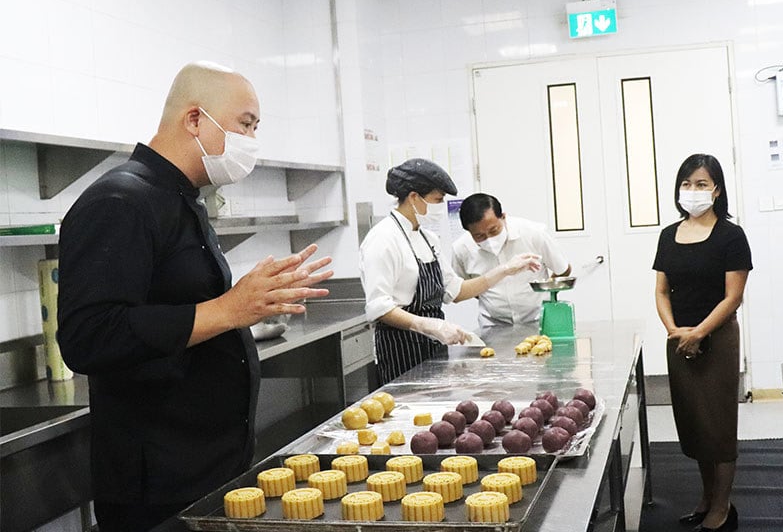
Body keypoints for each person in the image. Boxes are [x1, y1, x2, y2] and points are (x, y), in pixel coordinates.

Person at [56, 62, 334, 532]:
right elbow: (87, 337)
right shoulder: (120, 201)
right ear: (194, 120)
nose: (251, 140)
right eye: (245, 124)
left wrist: (249, 303)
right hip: (159, 483)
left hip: (210, 467)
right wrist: (229, 308)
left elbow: (185, 304)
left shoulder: (183, 199)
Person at [359, 159, 541, 384]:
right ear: (415, 197)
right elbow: (379, 307)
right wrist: (429, 325)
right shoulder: (383, 239)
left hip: (433, 348)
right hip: (400, 350)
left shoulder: (428, 238)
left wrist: (504, 270)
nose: (441, 207)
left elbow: (456, 290)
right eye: (438, 200)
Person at [652, 154, 751, 532]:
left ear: (717, 190)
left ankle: (723, 506)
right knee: (693, 424)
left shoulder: (730, 235)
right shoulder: (668, 235)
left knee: (719, 426)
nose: (692, 191)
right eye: (686, 184)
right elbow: (661, 291)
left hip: (717, 338)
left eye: (701, 184)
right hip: (678, 339)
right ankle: (706, 496)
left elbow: (733, 297)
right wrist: (675, 329)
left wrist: (699, 332)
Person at [452, 192, 571, 327]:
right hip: (492, 324)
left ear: (503, 217)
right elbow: (465, 289)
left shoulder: (532, 233)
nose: (489, 240)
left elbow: (563, 269)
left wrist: (544, 291)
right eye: (479, 236)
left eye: (493, 230)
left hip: (538, 319)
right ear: (468, 231)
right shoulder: (461, 248)